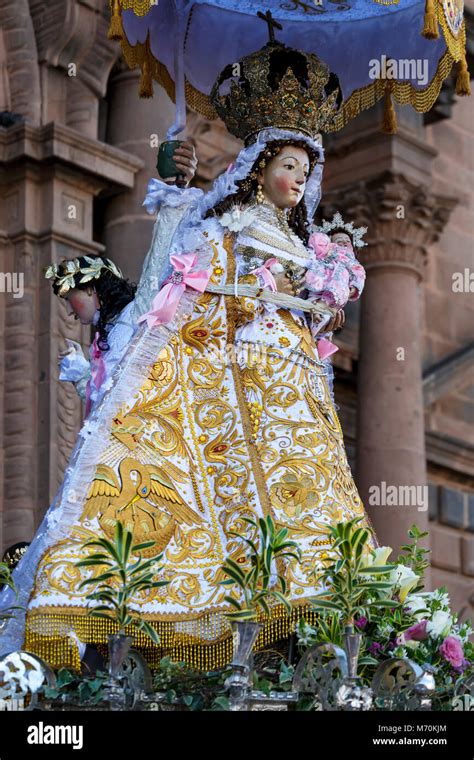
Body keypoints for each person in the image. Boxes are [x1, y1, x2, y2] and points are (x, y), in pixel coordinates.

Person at [0, 40, 378, 672]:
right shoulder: (228, 225)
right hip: (240, 382)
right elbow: (174, 288)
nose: (299, 182)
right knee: (238, 504)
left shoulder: (305, 241)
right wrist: (176, 193)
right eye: (290, 166)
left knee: (312, 499)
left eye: (306, 172)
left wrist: (320, 300)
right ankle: (219, 625)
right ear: (259, 169)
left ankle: (317, 628)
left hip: (298, 388)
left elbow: (320, 298)